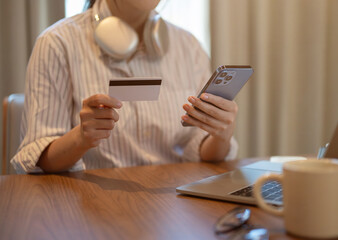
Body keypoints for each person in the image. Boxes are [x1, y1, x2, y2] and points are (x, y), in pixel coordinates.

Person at [11, 0, 239, 174]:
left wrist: (222, 135)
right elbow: (39, 160)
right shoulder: (57, 43)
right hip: (91, 209)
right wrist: (81, 138)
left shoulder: (188, 46)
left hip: (171, 208)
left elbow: (198, 151)